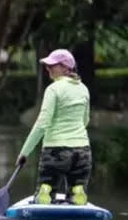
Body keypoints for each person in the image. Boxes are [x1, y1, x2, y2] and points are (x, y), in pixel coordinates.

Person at [16, 49, 91, 205]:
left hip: (55, 151)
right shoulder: (84, 89)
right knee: (77, 184)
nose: (48, 68)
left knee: (47, 186)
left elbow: (42, 123)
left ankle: (45, 191)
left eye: (52, 65)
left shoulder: (53, 89)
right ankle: (77, 191)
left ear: (66, 67)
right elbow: (85, 120)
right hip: (82, 151)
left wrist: (24, 152)